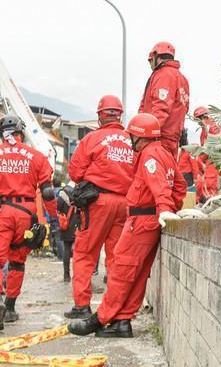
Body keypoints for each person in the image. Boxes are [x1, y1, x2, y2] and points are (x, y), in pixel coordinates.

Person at [68, 113, 187, 338]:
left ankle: (100, 318)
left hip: (140, 220)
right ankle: (122, 321)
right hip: (147, 220)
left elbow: (158, 183)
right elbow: (179, 186)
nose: (130, 140)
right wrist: (170, 209)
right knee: (138, 273)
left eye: (132, 136)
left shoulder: (149, 155)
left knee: (121, 270)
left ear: (140, 137)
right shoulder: (165, 154)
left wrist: (164, 208)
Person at [0, 115, 59, 332]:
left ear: (1, 134)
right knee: (17, 262)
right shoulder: (36, 157)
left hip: (2, 212)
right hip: (26, 214)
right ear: (21, 132)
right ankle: (10, 308)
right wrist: (53, 219)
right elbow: (47, 192)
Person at [64, 95, 134, 319]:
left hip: (97, 203)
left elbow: (75, 172)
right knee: (116, 258)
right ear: (120, 114)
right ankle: (114, 309)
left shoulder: (92, 139)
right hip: (125, 204)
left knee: (85, 253)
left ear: (100, 115)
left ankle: (82, 306)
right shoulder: (132, 140)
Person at [138, 41, 190, 159]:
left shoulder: (163, 75)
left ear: (156, 56)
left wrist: (144, 134)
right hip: (172, 139)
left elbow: (161, 108)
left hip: (158, 138)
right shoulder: (182, 79)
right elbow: (185, 108)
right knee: (168, 174)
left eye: (150, 60)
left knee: (153, 175)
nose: (150, 64)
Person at [57, 182, 80, 283]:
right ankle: (78, 275)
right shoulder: (80, 191)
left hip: (67, 225)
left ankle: (66, 275)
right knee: (79, 251)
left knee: (67, 248)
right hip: (79, 224)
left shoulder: (62, 193)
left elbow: (58, 208)